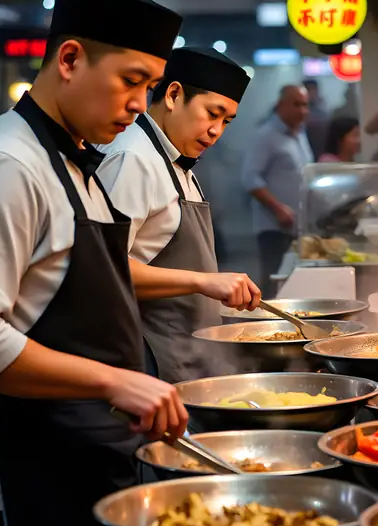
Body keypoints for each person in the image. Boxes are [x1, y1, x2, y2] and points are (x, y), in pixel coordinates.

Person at [0, 0, 193, 526]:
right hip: (21, 471)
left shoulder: (75, 162)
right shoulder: (8, 163)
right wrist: (114, 380)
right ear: (70, 59)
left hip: (84, 454)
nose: (141, 105)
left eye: (149, 86)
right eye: (131, 81)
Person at [97, 47, 260, 384]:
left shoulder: (176, 158)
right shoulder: (134, 158)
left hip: (190, 355)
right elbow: (104, 268)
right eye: (212, 114)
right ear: (173, 95)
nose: (217, 131)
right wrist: (203, 281)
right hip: (152, 361)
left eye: (226, 121)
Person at [242, 84, 313, 297]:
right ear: (280, 105)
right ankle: (267, 325)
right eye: (296, 104)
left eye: (305, 105)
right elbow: (249, 178)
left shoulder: (300, 134)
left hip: (297, 227)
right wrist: (278, 208)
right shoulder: (266, 135)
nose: (302, 110)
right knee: (274, 281)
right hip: (274, 227)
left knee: (293, 282)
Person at [303, 78, 329, 160]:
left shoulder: (322, 106)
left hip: (320, 146)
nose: (311, 93)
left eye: (313, 89)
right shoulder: (299, 109)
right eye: (308, 90)